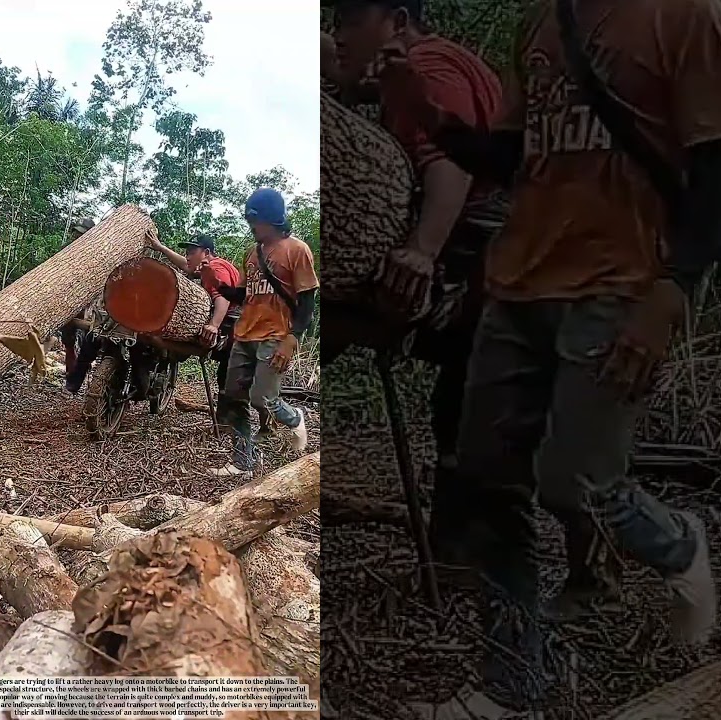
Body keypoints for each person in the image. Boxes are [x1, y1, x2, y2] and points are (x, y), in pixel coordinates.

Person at [393, 0, 721, 716]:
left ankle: (678, 542)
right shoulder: (544, 22)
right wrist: (433, 120)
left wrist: (672, 291)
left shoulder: (685, 14)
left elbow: (720, 172)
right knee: (490, 482)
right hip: (520, 283)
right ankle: (510, 683)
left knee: (577, 481)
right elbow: (514, 159)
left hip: (620, 284)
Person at [332, 0, 624, 607]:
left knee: (485, 415)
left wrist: (420, 250)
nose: (338, 35)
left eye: (346, 21)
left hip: (501, 260)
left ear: (395, 18)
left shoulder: (432, 64)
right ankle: (503, 564)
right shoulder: (416, 72)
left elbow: (451, 167)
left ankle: (494, 576)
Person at [210, 188, 317, 478]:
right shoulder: (252, 254)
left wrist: (292, 338)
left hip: (276, 334)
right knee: (234, 396)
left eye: (253, 220)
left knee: (263, 398)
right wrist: (219, 287)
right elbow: (245, 294)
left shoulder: (297, 250)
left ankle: (295, 417)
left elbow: (307, 300)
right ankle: (242, 461)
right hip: (245, 334)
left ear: (272, 220)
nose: (250, 226)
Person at [147, 232, 242, 396]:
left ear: (206, 253)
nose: (188, 256)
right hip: (234, 327)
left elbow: (222, 297)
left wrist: (213, 325)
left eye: (192, 252)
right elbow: (186, 265)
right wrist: (160, 247)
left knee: (228, 384)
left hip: (233, 328)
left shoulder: (216, 268)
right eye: (187, 253)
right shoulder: (208, 267)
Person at [59, 218, 96, 378]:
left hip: (91, 298)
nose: (77, 237)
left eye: (81, 234)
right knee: (68, 333)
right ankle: (71, 363)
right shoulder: (65, 250)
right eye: (76, 233)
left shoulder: (99, 254)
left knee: (92, 335)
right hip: (68, 297)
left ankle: (83, 366)